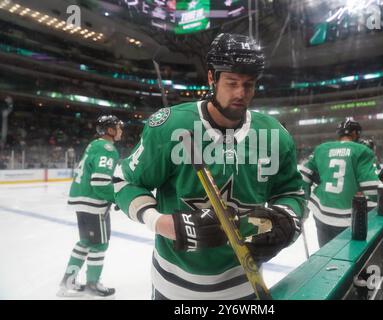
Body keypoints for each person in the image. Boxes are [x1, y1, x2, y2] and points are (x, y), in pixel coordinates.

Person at [113, 33, 305, 300]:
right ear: (211, 78)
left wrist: (288, 217)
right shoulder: (170, 126)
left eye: (249, 84)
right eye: (232, 83)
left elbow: (293, 193)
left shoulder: (275, 134)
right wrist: (158, 221)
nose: (241, 93)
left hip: (245, 285)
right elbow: (125, 181)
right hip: (173, 287)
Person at [57, 115, 123, 298]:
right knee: (99, 244)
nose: (121, 130)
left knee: (85, 242)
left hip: (80, 198)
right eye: (118, 127)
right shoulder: (108, 148)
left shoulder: (94, 145)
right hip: (94, 203)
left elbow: (96, 175)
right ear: (110, 130)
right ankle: (92, 284)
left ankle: (68, 280)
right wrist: (117, 198)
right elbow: (100, 183)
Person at [300, 119, 383, 247]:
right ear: (354, 133)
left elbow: (304, 177)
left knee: (325, 254)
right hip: (347, 218)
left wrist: (303, 206)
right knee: (344, 261)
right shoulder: (362, 150)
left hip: (320, 213)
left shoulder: (322, 148)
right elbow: (371, 188)